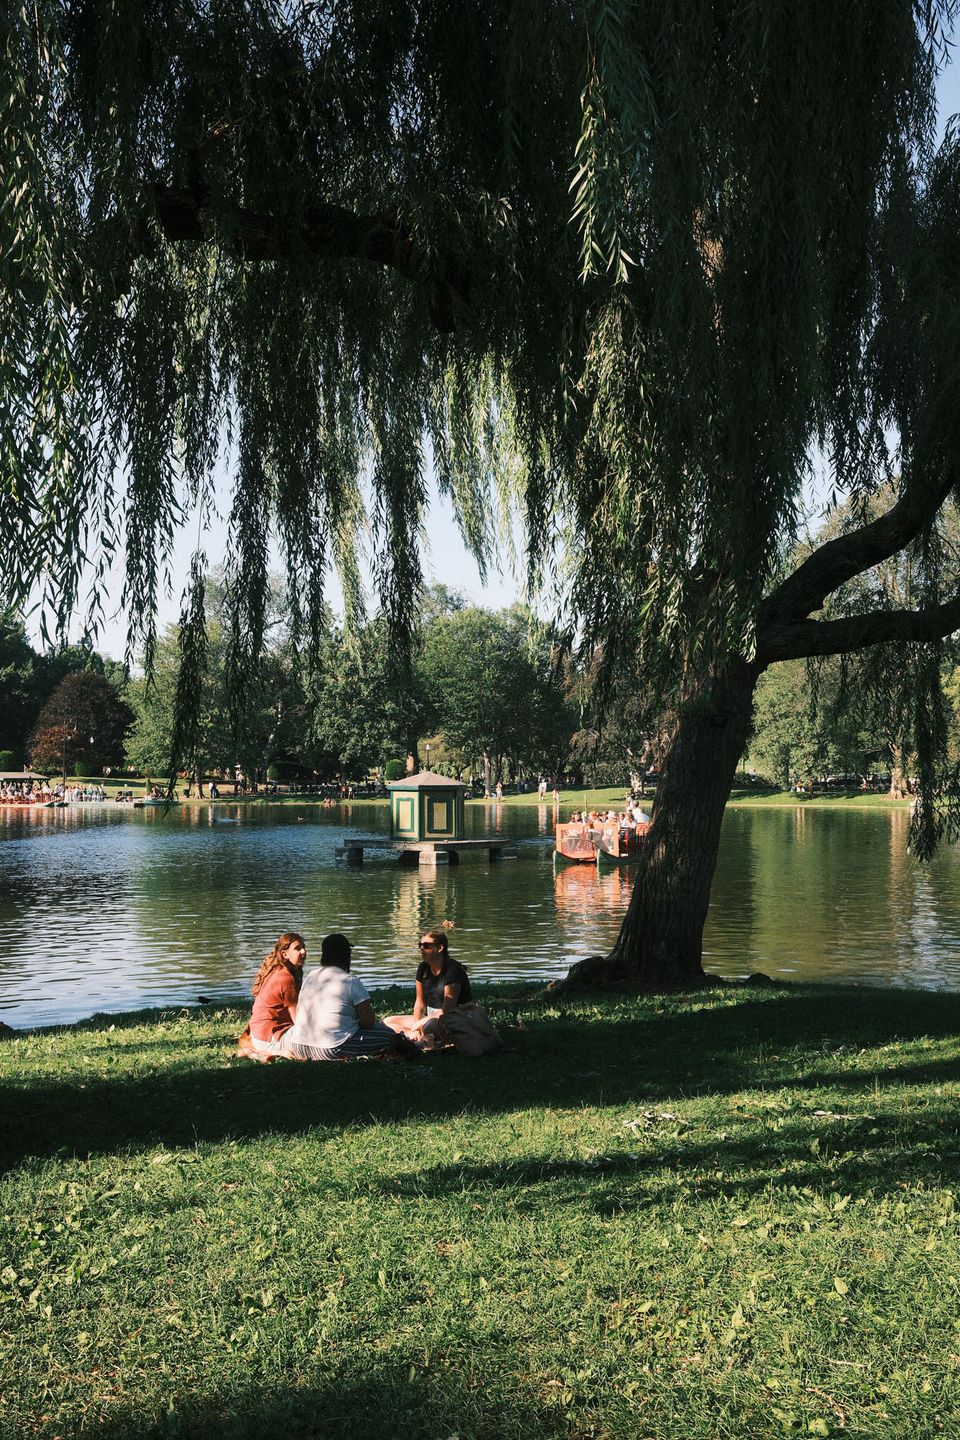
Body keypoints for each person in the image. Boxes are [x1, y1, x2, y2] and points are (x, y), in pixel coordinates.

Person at [285, 933, 402, 1060]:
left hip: (300, 1047)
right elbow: (368, 1022)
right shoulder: (350, 981)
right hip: (331, 1048)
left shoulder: (311, 977)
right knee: (389, 1034)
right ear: (346, 956)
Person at [383, 929, 472, 1047]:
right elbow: (419, 1003)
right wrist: (416, 1026)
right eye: (420, 945)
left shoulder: (452, 970)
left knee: (429, 1026)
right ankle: (416, 1037)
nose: (421, 948)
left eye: (426, 945)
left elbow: (447, 1009)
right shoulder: (423, 968)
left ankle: (415, 1040)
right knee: (387, 1022)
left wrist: (420, 1023)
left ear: (440, 948)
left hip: (453, 1018)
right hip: (430, 1017)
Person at [244, 931, 306, 1059]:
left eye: (303, 947)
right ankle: (271, 1052)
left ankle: (256, 1052)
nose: (303, 951)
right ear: (285, 954)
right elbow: (297, 1020)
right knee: (314, 1035)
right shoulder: (286, 978)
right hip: (269, 1037)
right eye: (297, 949)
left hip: (258, 1035)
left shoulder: (277, 970)